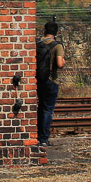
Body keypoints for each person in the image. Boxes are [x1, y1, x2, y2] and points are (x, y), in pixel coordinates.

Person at [36, 21, 66, 149]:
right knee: (48, 109)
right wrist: (64, 61)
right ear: (56, 32)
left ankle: (38, 136)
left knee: (41, 108)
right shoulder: (57, 46)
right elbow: (59, 64)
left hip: (39, 80)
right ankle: (44, 138)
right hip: (51, 80)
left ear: (45, 30)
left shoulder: (38, 44)